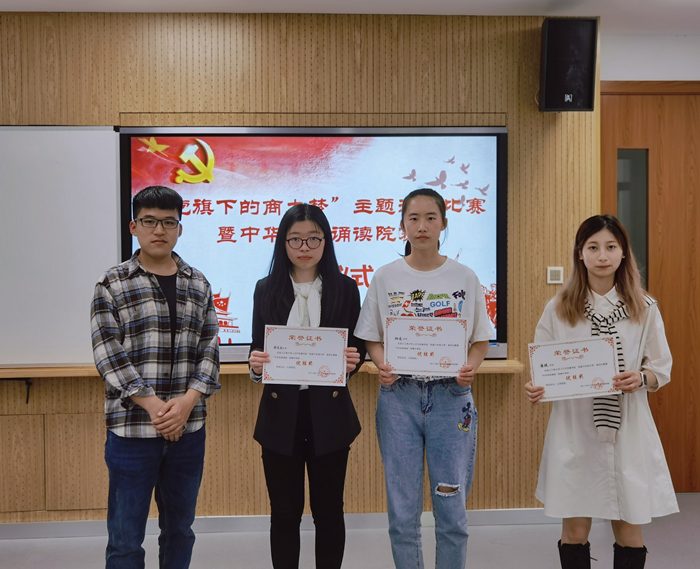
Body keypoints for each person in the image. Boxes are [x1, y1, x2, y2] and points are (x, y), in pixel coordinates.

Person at [525, 215, 678, 569]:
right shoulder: (558, 308)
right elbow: (543, 368)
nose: (602, 256)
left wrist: (640, 379)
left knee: (629, 529)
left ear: (624, 253)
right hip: (574, 430)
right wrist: (536, 387)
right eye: (593, 247)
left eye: (611, 247)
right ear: (580, 253)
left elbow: (661, 368)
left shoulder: (645, 308)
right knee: (575, 530)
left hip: (628, 429)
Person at [354, 188, 494, 569]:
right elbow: (371, 336)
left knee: (452, 512)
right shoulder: (386, 276)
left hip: (451, 397)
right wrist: (382, 365)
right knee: (402, 514)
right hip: (399, 398)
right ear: (402, 224)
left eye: (431, 218)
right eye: (413, 218)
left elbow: (480, 339)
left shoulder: (465, 277)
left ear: (444, 224)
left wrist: (470, 366)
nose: (422, 226)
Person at [91, 186, 221, 569]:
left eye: (168, 222)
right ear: (134, 226)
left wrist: (188, 402)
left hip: (188, 429)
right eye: (149, 221)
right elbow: (107, 352)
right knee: (125, 539)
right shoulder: (112, 283)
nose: (159, 230)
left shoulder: (198, 284)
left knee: (180, 530)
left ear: (180, 228)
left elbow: (210, 347)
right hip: (132, 431)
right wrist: (154, 406)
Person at [248, 203, 366, 569]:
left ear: (326, 241)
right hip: (280, 415)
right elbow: (257, 349)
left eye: (313, 238)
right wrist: (255, 366)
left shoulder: (345, 288)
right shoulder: (266, 288)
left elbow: (356, 350)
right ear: (282, 242)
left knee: (329, 512)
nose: (304, 247)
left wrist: (353, 361)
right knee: (284, 513)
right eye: (295, 239)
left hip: (329, 415)